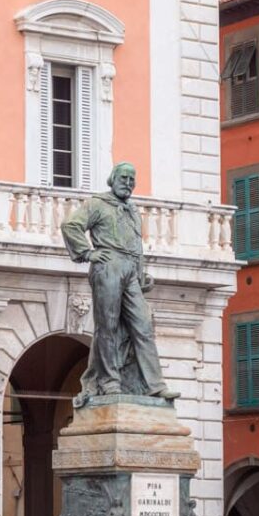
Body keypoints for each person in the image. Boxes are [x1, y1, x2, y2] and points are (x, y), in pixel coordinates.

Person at [60, 162, 179, 401]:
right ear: (112, 179)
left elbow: (136, 245)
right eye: (123, 178)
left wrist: (140, 272)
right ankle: (109, 381)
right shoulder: (97, 203)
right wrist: (88, 252)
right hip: (108, 266)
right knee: (108, 327)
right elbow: (70, 225)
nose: (128, 183)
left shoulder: (133, 211)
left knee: (143, 325)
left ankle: (153, 384)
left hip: (130, 270)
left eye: (132, 179)